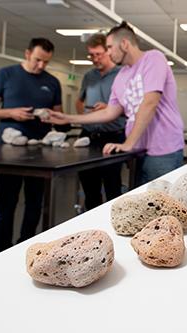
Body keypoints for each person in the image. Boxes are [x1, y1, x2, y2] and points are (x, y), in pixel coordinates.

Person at [48, 21, 184, 185]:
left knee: (161, 205)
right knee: (140, 204)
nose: (108, 52)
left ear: (125, 44)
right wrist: (68, 118)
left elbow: (150, 102)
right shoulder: (121, 77)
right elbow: (108, 112)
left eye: (110, 47)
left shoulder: (153, 58)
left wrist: (128, 143)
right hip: (137, 150)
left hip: (163, 150)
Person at [0, 38, 62, 253]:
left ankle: (25, 247)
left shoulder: (53, 82)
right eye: (38, 60)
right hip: (9, 152)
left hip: (41, 152)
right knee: (7, 203)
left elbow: (58, 114)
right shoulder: (5, 74)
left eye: (46, 62)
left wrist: (50, 117)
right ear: (27, 54)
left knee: (35, 203)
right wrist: (12, 113)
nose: (41, 66)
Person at [75, 33, 126, 210]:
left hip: (113, 137)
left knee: (112, 186)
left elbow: (132, 107)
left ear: (108, 51)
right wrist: (85, 117)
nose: (95, 59)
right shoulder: (89, 76)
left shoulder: (122, 74)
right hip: (89, 137)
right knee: (89, 187)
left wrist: (109, 108)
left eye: (99, 54)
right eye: (91, 55)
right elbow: (79, 101)